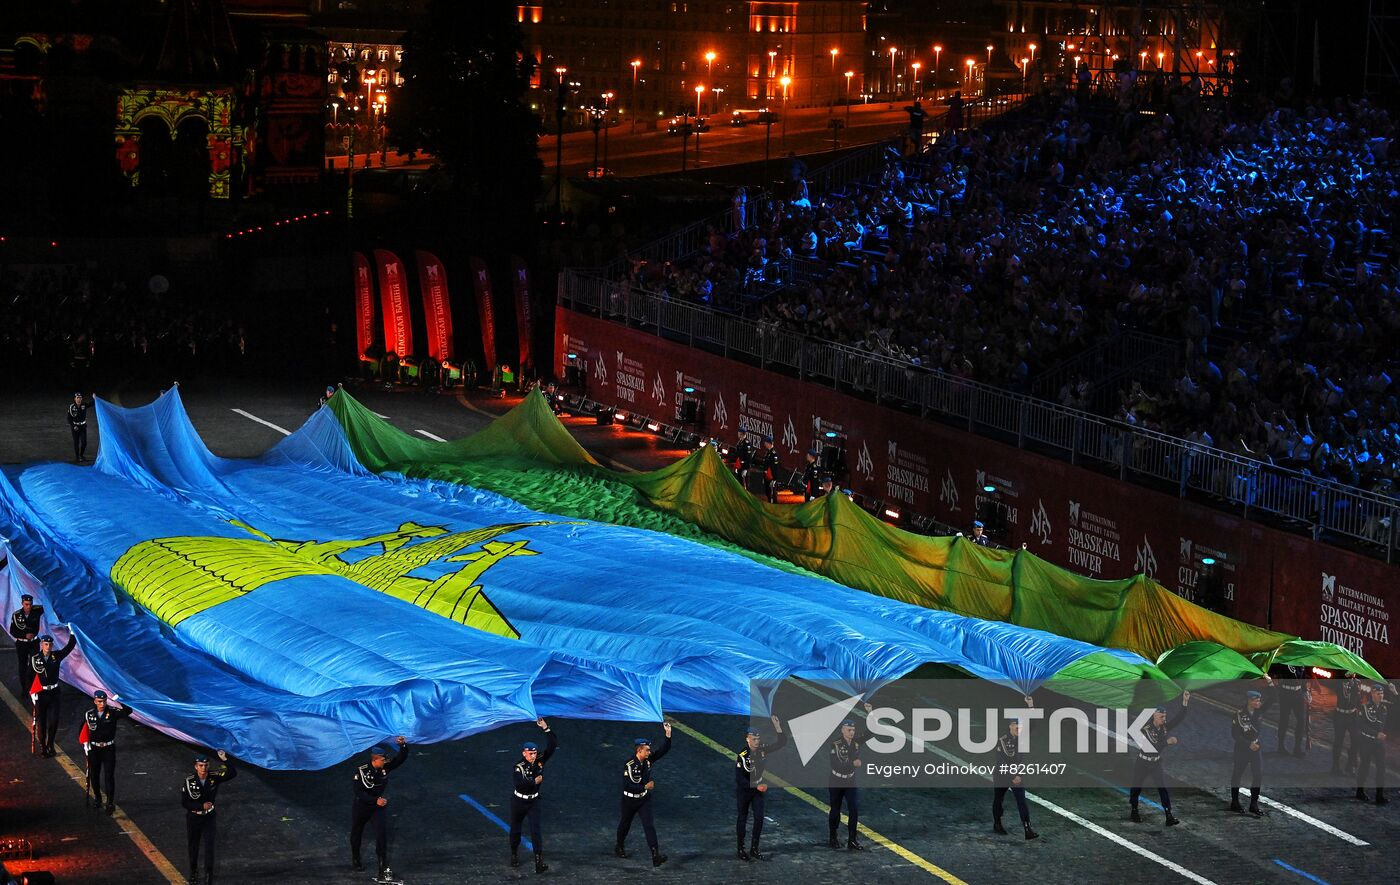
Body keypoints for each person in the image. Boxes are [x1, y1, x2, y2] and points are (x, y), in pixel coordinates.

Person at [350, 736, 409, 882]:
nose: (385, 762)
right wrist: (375, 800)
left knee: (381, 835)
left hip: (377, 807)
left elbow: (399, 760)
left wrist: (403, 746)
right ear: (375, 760)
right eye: (382, 760)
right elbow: (359, 793)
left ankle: (382, 866)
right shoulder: (361, 771)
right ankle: (356, 858)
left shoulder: (384, 767)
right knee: (357, 831)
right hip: (362, 806)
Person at [616, 721, 673, 867]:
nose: (650, 752)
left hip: (643, 800)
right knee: (625, 824)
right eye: (647, 750)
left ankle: (655, 856)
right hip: (629, 800)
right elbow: (628, 784)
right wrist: (645, 786)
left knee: (649, 826)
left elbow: (663, 751)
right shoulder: (629, 765)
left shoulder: (648, 761)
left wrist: (668, 734)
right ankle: (619, 845)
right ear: (639, 750)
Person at [1129, 691, 1189, 825]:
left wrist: (1184, 702)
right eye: (1162, 717)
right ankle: (1134, 810)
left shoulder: (1164, 728)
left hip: (1155, 763)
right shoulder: (1146, 730)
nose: (1165, 719)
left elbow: (1178, 719)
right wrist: (1167, 742)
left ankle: (1168, 815)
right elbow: (1152, 747)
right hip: (1143, 763)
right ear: (1154, 717)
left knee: (1162, 788)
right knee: (1136, 787)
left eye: (1165, 716)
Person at [735, 715, 786, 860]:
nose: (757, 742)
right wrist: (757, 786)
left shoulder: (763, 750)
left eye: (758, 739)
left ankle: (754, 848)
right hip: (745, 791)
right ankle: (740, 848)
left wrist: (777, 726)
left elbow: (781, 743)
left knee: (759, 818)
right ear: (747, 739)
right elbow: (740, 780)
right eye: (753, 739)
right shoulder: (743, 757)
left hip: (758, 790)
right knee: (742, 818)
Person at [182, 749, 237, 885]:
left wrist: (225, 759)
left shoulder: (214, 777)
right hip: (194, 818)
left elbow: (232, 773)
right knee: (193, 846)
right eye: (200, 765)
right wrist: (201, 806)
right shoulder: (189, 781)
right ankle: (193, 871)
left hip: (209, 818)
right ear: (196, 767)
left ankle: (208, 876)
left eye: (206, 765)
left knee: (209, 847)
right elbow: (185, 802)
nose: (203, 768)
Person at [509, 718, 556, 872]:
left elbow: (552, 746)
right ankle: (514, 853)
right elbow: (519, 783)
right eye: (530, 753)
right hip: (519, 801)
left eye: (535, 753)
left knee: (536, 830)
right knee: (516, 829)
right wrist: (534, 782)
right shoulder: (519, 767)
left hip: (534, 801)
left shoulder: (539, 761)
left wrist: (546, 728)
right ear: (524, 753)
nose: (533, 756)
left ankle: (538, 860)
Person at [992, 695, 1039, 840]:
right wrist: (1013, 776)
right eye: (1017, 726)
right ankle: (997, 823)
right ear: (1010, 726)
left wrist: (1030, 705)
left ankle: (1027, 828)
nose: (1020, 729)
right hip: (1003, 775)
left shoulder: (1022, 736)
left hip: (1017, 775)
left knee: (1021, 800)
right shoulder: (1003, 741)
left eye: (1021, 726)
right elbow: (1001, 762)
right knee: (998, 799)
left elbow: (1034, 723)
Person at [828, 702, 873, 850]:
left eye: (853, 730)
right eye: (849, 730)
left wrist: (870, 713)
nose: (852, 732)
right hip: (836, 780)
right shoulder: (835, 744)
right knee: (835, 810)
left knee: (854, 809)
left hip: (850, 780)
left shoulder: (856, 742)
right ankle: (833, 837)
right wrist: (853, 763)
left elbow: (871, 732)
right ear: (842, 730)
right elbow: (836, 764)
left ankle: (852, 840)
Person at [83, 690, 134, 814]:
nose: (102, 704)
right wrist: (85, 744)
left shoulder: (112, 712)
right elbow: (83, 729)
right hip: (94, 749)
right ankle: (98, 798)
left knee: (108, 776)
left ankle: (110, 802)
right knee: (94, 775)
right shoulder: (89, 714)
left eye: (104, 701)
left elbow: (128, 711)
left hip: (108, 748)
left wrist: (119, 700)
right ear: (95, 701)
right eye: (100, 701)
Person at [30, 632, 76, 757]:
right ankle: (43, 747)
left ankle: (50, 744)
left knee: (54, 720)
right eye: (46, 644)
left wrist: (73, 632)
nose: (48, 646)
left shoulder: (56, 656)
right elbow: (30, 676)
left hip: (54, 692)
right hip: (41, 693)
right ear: (42, 645)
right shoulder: (35, 658)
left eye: (50, 644)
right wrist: (32, 692)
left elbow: (69, 647)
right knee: (41, 721)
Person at [1229, 685, 1271, 816]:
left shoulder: (1260, 711)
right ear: (1249, 701)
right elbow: (1235, 734)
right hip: (1242, 749)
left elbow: (1274, 697)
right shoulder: (1239, 714)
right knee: (1237, 775)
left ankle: (1254, 803)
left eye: (1259, 700)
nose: (1258, 703)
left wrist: (1269, 683)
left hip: (1256, 747)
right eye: (1256, 701)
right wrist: (1248, 744)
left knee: (1258, 775)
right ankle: (1234, 802)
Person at [1354, 682, 1392, 804]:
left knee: (1381, 768)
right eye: (1378, 693)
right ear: (1372, 694)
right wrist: (1376, 734)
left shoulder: (1384, 707)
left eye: (1382, 693)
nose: (1381, 696)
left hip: (1378, 743)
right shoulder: (1365, 707)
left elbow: (1397, 705)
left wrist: (1395, 692)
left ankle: (1379, 795)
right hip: (1366, 741)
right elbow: (1360, 725)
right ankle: (1360, 791)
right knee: (1364, 766)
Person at [9, 593, 43, 698]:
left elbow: (47, 606)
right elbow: (12, 631)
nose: (29, 607)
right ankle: (24, 689)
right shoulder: (16, 615)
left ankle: (34, 687)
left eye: (30, 604)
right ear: (22, 603)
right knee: (22, 666)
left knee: (34, 665)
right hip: (22, 643)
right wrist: (24, 635)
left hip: (34, 642)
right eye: (26, 604)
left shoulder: (37, 610)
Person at [1274, 664, 1309, 756]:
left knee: (1301, 720)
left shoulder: (1301, 662)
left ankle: (1297, 748)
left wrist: (1306, 691)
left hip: (1298, 693)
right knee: (1284, 720)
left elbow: (1303, 676)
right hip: (1286, 693)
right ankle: (1280, 746)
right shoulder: (1286, 660)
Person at [1331, 672, 1361, 775]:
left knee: (1356, 741)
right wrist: (1345, 676)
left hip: (1352, 715)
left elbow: (1358, 699)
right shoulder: (1339, 681)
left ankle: (1350, 765)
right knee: (1338, 741)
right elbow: (1337, 688)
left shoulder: (1357, 682)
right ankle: (1335, 766)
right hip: (1340, 714)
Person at [753, 435, 781, 504]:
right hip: (767, 476)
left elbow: (775, 467)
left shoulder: (773, 454)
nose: (764, 444)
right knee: (767, 492)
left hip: (771, 477)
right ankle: (770, 504)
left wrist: (774, 479)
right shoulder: (768, 453)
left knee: (773, 493)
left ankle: (775, 507)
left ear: (769, 443)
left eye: (765, 443)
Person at [67, 392, 90, 463]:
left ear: (81, 399)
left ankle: (81, 455)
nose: (79, 399)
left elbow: (91, 404)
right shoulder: (72, 407)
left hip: (83, 426)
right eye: (77, 398)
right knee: (76, 442)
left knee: (84, 442)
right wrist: (73, 426)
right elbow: (69, 418)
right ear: (75, 399)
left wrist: (96, 399)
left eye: (80, 398)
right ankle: (77, 457)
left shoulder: (84, 405)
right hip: (75, 427)